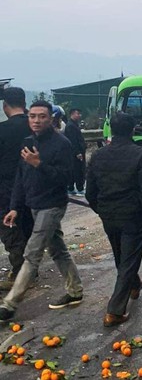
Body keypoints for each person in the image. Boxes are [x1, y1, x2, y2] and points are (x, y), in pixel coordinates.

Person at [0, 100, 83, 322]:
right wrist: (15, 207)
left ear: (51, 119)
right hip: (33, 204)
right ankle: (75, 291)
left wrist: (40, 164)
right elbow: (20, 177)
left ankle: (9, 304)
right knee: (57, 249)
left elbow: (66, 178)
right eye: (33, 116)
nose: (36, 121)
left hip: (53, 205)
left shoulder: (62, 144)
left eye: (42, 116)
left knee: (32, 252)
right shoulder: (27, 142)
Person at [85, 112, 142, 326]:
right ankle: (115, 310)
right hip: (133, 217)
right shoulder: (141, 155)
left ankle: (134, 283)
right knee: (127, 260)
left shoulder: (98, 155)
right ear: (132, 129)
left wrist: (101, 210)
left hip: (108, 215)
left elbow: (90, 192)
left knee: (122, 256)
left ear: (112, 130)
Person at [0, 87, 34, 291]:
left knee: (9, 225)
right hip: (32, 186)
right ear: (24, 103)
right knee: (29, 224)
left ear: (5, 106)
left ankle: (20, 271)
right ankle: (30, 268)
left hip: (6, 187)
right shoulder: (36, 126)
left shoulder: (2, 130)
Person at [64, 108, 86, 196]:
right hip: (76, 152)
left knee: (74, 170)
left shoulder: (74, 124)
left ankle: (71, 188)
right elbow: (73, 141)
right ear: (72, 114)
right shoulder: (70, 126)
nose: (79, 115)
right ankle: (79, 189)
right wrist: (77, 152)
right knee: (78, 170)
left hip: (76, 151)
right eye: (78, 114)